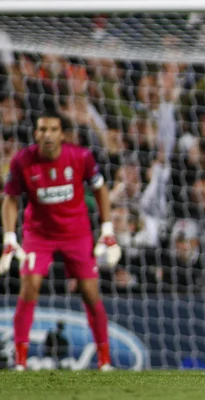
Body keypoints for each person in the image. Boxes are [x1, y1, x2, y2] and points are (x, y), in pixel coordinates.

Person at [0, 109, 121, 371]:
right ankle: (20, 361)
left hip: (76, 234)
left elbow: (100, 189)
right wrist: (10, 235)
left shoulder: (81, 157)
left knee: (90, 292)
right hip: (38, 235)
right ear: (36, 133)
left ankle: (104, 360)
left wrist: (107, 228)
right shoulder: (23, 161)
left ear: (63, 134)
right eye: (42, 129)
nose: (47, 135)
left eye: (53, 129)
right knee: (29, 285)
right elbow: (10, 198)